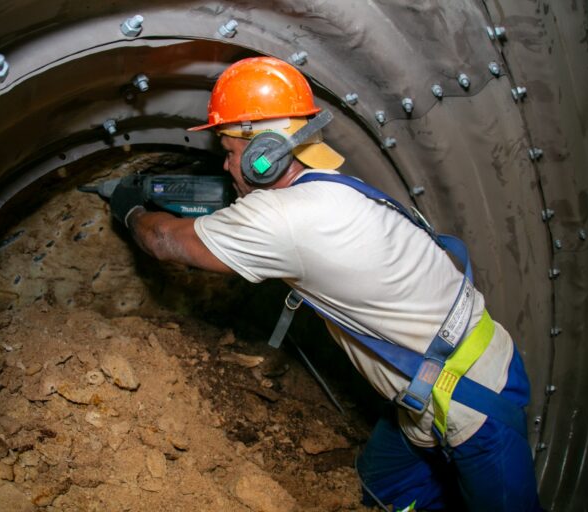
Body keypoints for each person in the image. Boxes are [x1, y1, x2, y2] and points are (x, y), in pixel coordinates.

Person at [108, 56, 542, 511]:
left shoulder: (283, 218)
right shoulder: (333, 188)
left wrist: (130, 207)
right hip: (430, 391)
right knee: (383, 484)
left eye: (230, 154)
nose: (226, 167)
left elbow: (162, 240)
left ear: (264, 157)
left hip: (473, 398)